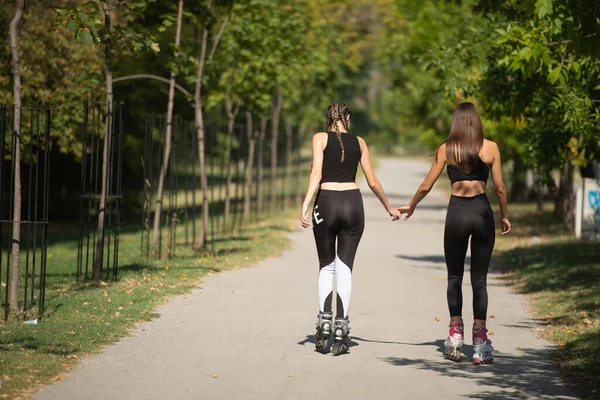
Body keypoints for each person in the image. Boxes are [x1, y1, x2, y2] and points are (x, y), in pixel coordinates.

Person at [397, 102, 511, 364]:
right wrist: (504, 215)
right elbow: (501, 187)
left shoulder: (447, 149)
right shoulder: (491, 147)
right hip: (482, 213)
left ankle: (455, 337)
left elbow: (427, 184)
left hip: (457, 214)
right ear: (477, 121)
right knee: (480, 279)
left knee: (454, 276)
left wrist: (411, 205)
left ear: (456, 122)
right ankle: (480, 344)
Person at [300, 102, 400, 356]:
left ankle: (325, 323)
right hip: (354, 206)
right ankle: (342, 327)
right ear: (347, 119)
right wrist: (389, 207)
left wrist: (305, 203)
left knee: (327, 265)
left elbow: (316, 174)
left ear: (328, 119)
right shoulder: (361, 142)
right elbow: (373, 181)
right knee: (345, 267)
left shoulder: (320, 138)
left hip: (327, 204)